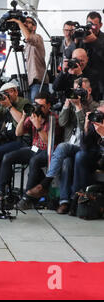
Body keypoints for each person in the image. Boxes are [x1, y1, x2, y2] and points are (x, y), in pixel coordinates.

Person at [26, 85, 100, 213]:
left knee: (62, 147)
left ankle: (45, 183)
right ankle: (65, 201)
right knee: (66, 162)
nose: (75, 94)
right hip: (70, 147)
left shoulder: (94, 107)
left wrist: (78, 107)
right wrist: (67, 104)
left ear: (87, 91)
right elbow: (62, 122)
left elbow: (85, 129)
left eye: (79, 91)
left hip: (85, 146)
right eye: (73, 91)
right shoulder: (69, 106)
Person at [0, 82, 30, 203]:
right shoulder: (3, 105)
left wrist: (9, 106)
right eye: (5, 93)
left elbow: (23, 122)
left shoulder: (24, 103)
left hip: (21, 141)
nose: (7, 95)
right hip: (7, 140)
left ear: (15, 91)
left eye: (9, 91)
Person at [9, 16, 49, 100]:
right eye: (24, 22)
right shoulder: (27, 44)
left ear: (34, 27)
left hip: (38, 82)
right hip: (31, 83)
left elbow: (28, 37)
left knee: (36, 109)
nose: (25, 24)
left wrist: (19, 22)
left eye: (28, 22)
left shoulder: (38, 37)